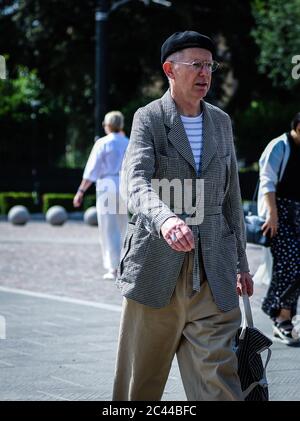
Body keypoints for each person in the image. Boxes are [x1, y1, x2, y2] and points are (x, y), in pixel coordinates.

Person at [112, 31, 253, 401]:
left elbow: (231, 198)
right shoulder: (149, 118)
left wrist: (241, 263)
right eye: (197, 64)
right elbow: (135, 181)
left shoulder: (220, 121)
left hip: (213, 275)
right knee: (138, 387)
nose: (205, 72)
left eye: (210, 65)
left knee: (220, 384)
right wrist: (166, 218)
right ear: (170, 69)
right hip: (156, 272)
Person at [257, 112, 300, 345]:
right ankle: (282, 318)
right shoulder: (279, 146)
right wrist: (272, 215)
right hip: (279, 213)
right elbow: (267, 181)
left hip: (297, 214)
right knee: (290, 263)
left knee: (294, 265)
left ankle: (284, 316)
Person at [73, 111, 129, 280]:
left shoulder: (103, 143)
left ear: (108, 125)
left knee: (108, 228)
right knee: (125, 227)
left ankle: (112, 268)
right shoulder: (129, 142)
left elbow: (92, 170)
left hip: (106, 184)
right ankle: (126, 265)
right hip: (125, 185)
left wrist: (81, 191)